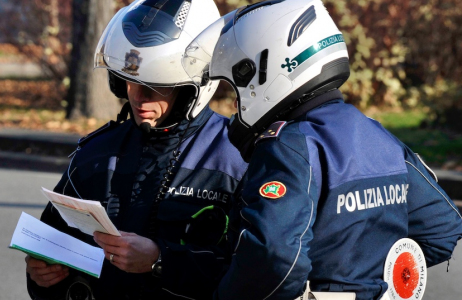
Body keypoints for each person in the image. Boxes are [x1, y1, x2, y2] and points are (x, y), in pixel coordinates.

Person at [181, 0, 462, 299]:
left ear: (264, 70)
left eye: (237, 87)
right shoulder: (378, 135)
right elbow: (441, 229)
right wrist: (369, 279)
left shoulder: (288, 146)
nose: (237, 106)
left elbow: (273, 262)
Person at [25, 0, 248, 299]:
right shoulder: (96, 152)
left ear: (192, 86)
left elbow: (253, 270)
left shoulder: (237, 156)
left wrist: (159, 261)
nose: (138, 98)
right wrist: (42, 275)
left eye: (156, 86)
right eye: (128, 82)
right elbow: (52, 241)